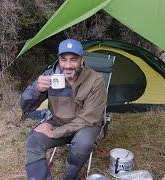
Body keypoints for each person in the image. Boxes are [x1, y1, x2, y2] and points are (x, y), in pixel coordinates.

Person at [20, 38, 107, 179]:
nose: (68, 65)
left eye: (73, 60)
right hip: (58, 120)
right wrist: (37, 90)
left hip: (86, 125)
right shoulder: (50, 76)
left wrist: (55, 132)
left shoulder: (95, 80)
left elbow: (90, 117)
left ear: (81, 60)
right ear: (58, 60)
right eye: (63, 59)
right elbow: (25, 107)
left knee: (83, 144)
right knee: (33, 140)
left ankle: (69, 177)